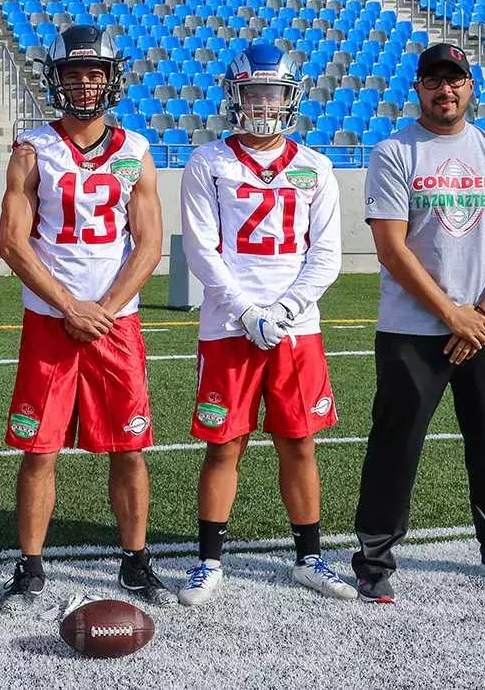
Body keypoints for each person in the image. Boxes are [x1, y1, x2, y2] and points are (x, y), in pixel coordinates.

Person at [352, 42, 485, 603]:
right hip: (413, 328)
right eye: (434, 81)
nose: (445, 90)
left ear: (470, 87)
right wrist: (451, 314)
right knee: (396, 443)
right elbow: (391, 248)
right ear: (418, 88)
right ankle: (374, 557)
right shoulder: (394, 152)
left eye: (454, 80)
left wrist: (480, 315)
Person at [0, 24, 172, 611]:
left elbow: (149, 246)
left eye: (94, 73)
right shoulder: (32, 149)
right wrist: (72, 306)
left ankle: (135, 560)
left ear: (111, 78)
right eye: (73, 74)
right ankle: (29, 564)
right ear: (57, 80)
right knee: (39, 449)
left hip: (115, 323)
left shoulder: (136, 151)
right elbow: (13, 244)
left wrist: (105, 308)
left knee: (129, 447)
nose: (85, 85)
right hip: (52, 319)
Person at [177, 42, 354, 606]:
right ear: (235, 96)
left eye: (273, 93)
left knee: (298, 443)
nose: (264, 103)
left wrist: (281, 312)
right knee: (224, 445)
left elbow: (325, 256)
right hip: (229, 326)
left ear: (290, 97)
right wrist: (247, 311)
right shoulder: (209, 163)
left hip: (294, 328)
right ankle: (208, 561)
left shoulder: (315, 166)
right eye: (254, 92)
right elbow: (202, 252)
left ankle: (309, 556)